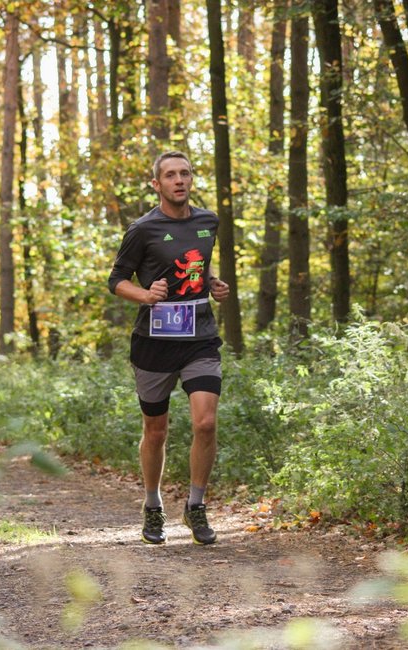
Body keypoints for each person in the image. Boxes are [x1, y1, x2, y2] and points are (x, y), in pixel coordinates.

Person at [108, 151, 229, 545]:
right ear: (156, 184)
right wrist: (146, 295)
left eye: (185, 173)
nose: (179, 180)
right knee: (156, 430)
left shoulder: (208, 222)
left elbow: (199, 267)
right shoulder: (142, 229)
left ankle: (195, 505)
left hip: (200, 337)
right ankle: (152, 504)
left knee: (205, 422)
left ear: (191, 179)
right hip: (154, 342)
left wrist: (213, 284)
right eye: (171, 175)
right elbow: (116, 280)